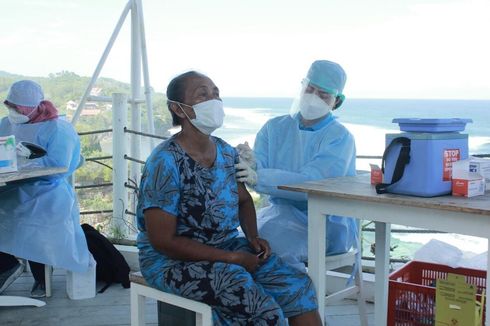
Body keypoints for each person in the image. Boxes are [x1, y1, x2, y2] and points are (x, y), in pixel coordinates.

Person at [136, 71, 322, 325]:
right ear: (179, 109)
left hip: (225, 245)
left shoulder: (225, 152)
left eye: (216, 94)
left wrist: (253, 237)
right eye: (202, 95)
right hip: (171, 261)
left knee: (296, 285)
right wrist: (232, 258)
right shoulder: (164, 162)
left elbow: (243, 200)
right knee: (254, 303)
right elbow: (162, 240)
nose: (214, 100)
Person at [236, 60, 359, 271]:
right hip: (278, 214)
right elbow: (258, 172)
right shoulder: (274, 128)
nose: (313, 98)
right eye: (310, 89)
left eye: (323, 95)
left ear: (336, 101)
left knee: (270, 253)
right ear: (302, 87)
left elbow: (313, 184)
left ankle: (296, 299)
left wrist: (259, 176)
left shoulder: (340, 138)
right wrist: (252, 163)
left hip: (323, 224)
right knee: (237, 243)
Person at [0, 80, 90, 298]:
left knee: (31, 220)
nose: (13, 111)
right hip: (12, 185)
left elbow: (60, 166)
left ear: (33, 107)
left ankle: (38, 276)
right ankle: (6, 263)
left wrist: (29, 161)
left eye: (17, 108)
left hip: (47, 189)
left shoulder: (58, 129)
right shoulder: (6, 123)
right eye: (10, 105)